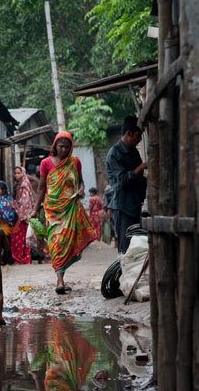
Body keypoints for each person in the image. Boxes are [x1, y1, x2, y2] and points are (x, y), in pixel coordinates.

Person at [32, 132, 97, 294]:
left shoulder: (75, 163)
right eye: (60, 147)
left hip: (70, 209)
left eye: (67, 147)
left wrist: (81, 189)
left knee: (67, 242)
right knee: (56, 242)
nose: (63, 150)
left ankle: (61, 278)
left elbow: (80, 181)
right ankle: (60, 280)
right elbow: (41, 188)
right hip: (53, 210)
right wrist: (35, 209)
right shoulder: (46, 163)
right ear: (54, 146)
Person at [106, 116, 147, 253]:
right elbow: (123, 180)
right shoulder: (114, 154)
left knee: (137, 246)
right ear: (128, 133)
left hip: (135, 206)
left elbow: (140, 179)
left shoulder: (134, 152)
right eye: (137, 136)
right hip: (123, 207)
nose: (140, 139)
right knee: (126, 248)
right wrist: (142, 167)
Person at [11, 166, 35, 264]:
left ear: (23, 174)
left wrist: (16, 207)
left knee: (17, 237)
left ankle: (20, 259)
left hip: (24, 216)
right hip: (25, 216)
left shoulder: (23, 186)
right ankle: (25, 259)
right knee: (25, 238)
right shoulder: (20, 184)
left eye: (18, 173)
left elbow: (25, 202)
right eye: (15, 173)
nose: (16, 175)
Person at [0, 181, 17, 265]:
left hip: (7, 225)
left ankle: (7, 258)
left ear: (3, 190)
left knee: (6, 241)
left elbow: (12, 213)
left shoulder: (9, 200)